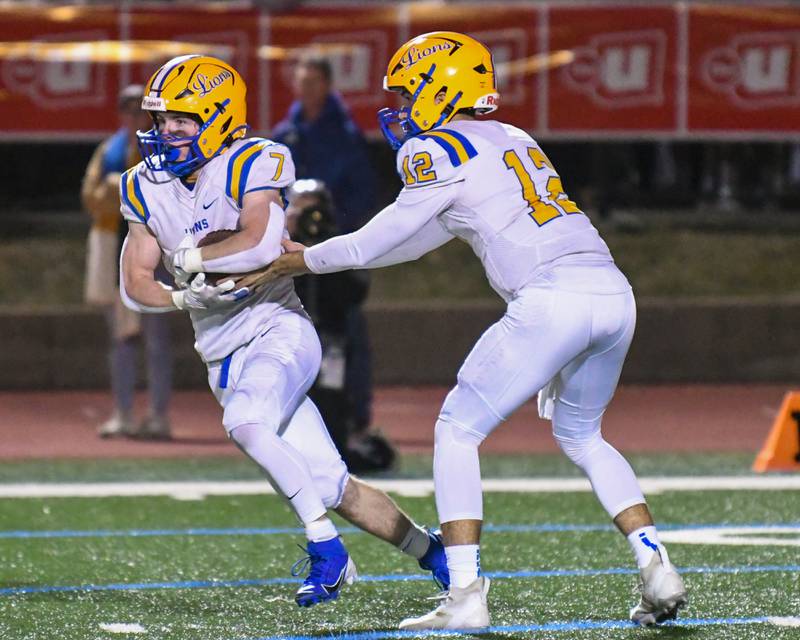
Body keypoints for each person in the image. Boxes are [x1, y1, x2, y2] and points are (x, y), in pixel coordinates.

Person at [245, 32, 688, 629]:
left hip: (550, 298)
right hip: (612, 293)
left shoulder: (435, 150)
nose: (399, 108)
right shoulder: (513, 137)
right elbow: (410, 241)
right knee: (583, 435)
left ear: (437, 89)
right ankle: (655, 562)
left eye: (407, 93)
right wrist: (335, 254)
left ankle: (465, 595)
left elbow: (380, 237)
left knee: (457, 429)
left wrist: (305, 258)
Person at [119, 54, 447, 607]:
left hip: (279, 328)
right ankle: (434, 553)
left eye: (181, 121)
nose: (165, 134)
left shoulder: (254, 159)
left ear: (219, 118)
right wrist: (182, 295)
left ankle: (328, 552)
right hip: (222, 355)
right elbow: (133, 282)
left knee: (245, 421)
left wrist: (189, 258)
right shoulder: (144, 185)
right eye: (159, 121)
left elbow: (263, 243)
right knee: (332, 488)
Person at [273, 54, 378, 446]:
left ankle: (353, 415)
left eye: (314, 81)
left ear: (328, 84)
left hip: (338, 250)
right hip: (293, 249)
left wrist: (335, 222)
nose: (307, 88)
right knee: (289, 327)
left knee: (346, 327)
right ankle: (292, 413)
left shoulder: (345, 133)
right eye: (302, 81)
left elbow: (364, 191)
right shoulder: (287, 133)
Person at [81, 84, 173, 440]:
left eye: (141, 111)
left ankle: (159, 415)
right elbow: (91, 197)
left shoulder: (165, 150)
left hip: (154, 250)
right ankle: (123, 413)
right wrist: (122, 189)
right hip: (114, 246)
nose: (135, 118)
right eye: (129, 111)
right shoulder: (109, 149)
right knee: (120, 337)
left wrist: (117, 188)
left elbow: (163, 194)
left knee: (157, 338)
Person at [285, 179, 397, 473]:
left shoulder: (339, 245)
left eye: (315, 210)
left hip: (331, 336)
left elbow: (354, 292)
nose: (311, 218)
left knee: (332, 400)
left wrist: (324, 251)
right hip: (290, 335)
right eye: (302, 211)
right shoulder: (278, 246)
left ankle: (337, 451)